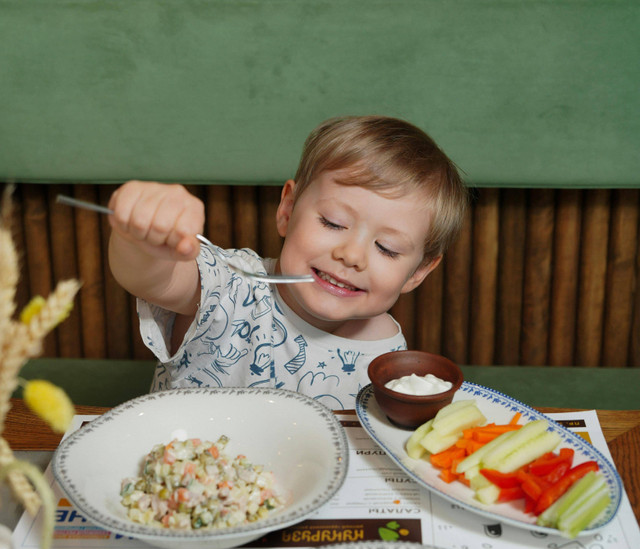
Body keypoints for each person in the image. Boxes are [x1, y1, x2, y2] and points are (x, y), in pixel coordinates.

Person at [108, 115, 468, 410]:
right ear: (288, 209)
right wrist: (144, 236)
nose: (351, 255)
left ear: (418, 272)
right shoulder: (231, 286)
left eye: (386, 248)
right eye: (332, 223)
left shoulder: (390, 359)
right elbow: (151, 278)